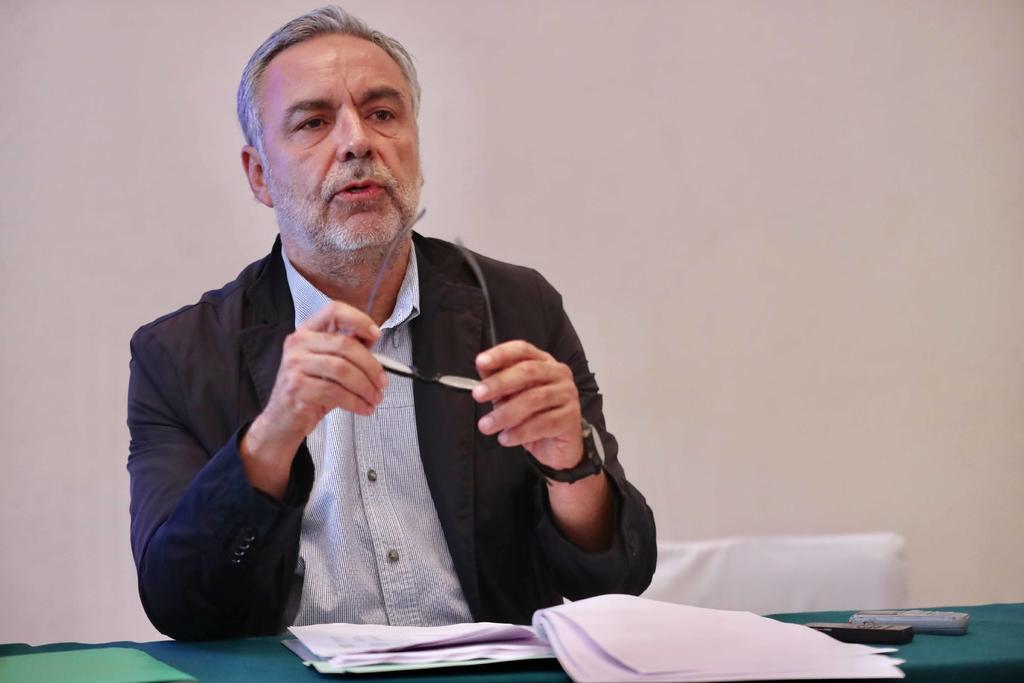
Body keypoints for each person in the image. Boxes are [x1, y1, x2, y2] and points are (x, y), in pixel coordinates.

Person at [127, 6, 656, 641]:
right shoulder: (179, 355)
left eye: (382, 114)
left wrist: (570, 465)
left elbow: (618, 576)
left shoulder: (518, 309)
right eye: (314, 122)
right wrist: (273, 435)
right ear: (260, 175)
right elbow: (179, 603)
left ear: (416, 151)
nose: (357, 142)